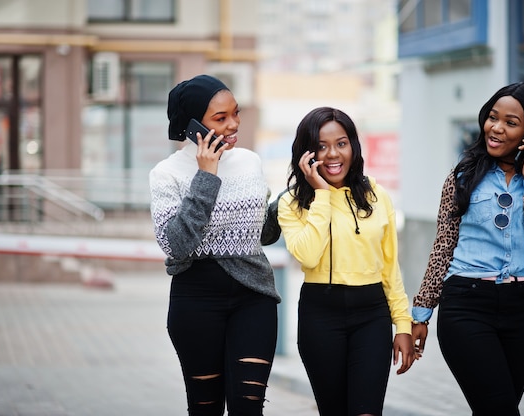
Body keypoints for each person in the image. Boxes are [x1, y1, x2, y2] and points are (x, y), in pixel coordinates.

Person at [411, 82, 524, 416]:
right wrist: (421, 313)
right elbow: (443, 245)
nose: (496, 128)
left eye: (510, 122)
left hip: (520, 308)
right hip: (465, 305)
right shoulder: (463, 176)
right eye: (493, 118)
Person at [149, 74, 281, 416]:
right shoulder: (167, 173)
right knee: (205, 407)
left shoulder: (251, 162)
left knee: (248, 406)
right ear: (192, 124)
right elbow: (175, 244)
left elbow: (262, 234)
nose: (233, 124)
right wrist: (206, 177)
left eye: (235, 113)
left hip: (254, 297)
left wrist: (290, 201)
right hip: (196, 300)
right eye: (220, 119)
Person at [277, 107, 415, 416]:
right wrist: (322, 195)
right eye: (321, 146)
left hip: (372, 315)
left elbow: (390, 267)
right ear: (306, 153)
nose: (332, 154)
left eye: (341, 143)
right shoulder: (291, 203)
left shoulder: (378, 197)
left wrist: (402, 325)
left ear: (353, 145)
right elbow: (309, 255)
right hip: (320, 316)